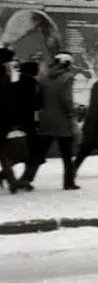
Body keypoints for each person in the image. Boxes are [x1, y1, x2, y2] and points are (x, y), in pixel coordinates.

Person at [20, 52, 80, 190]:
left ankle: (26, 178)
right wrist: (72, 114)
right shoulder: (67, 78)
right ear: (67, 64)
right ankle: (69, 182)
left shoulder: (44, 76)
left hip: (46, 119)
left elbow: (38, 97)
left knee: (39, 153)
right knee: (66, 153)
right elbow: (67, 100)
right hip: (62, 122)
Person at [12, 60, 41, 192]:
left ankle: (11, 175)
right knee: (34, 154)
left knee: (18, 152)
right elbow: (37, 105)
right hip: (29, 123)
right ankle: (25, 179)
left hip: (15, 123)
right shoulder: (33, 84)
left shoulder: (15, 83)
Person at [0, 47, 20, 193]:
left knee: (2, 152)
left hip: (3, 121)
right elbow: (8, 102)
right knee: (2, 152)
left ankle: (12, 182)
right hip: (2, 121)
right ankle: (12, 182)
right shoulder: (4, 78)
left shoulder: (5, 77)